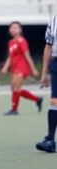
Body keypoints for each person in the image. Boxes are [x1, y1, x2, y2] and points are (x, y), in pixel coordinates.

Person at [1, 21, 42, 115]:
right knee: (15, 89)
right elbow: (10, 57)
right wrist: (5, 67)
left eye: (15, 27)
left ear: (20, 30)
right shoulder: (11, 42)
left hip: (22, 68)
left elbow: (27, 56)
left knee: (15, 89)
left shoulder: (22, 41)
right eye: (11, 27)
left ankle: (14, 110)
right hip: (15, 69)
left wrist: (34, 69)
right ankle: (37, 99)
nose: (13, 29)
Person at [36, 15, 57, 153]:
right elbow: (48, 47)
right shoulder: (54, 20)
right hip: (56, 63)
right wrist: (44, 72)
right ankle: (50, 140)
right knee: (54, 101)